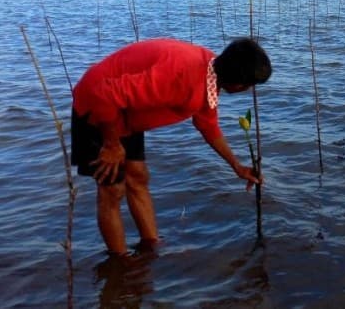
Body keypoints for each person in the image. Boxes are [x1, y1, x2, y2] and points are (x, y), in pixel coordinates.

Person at [71, 37, 272, 256]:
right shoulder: (179, 75)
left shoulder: (211, 70)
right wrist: (111, 145)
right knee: (112, 190)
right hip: (97, 108)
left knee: (138, 176)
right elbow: (105, 94)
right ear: (237, 83)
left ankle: (150, 246)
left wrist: (237, 166)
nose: (249, 90)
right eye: (250, 85)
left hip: (126, 114)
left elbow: (208, 125)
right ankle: (121, 264)